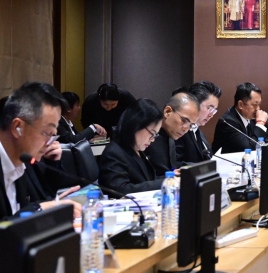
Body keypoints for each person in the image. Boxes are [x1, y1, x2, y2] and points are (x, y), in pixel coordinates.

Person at [0, 82, 81, 219]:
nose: (50, 143)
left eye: (53, 135)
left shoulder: (20, 163)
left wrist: (52, 206)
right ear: (17, 128)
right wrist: (40, 209)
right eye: (47, 133)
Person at [98, 99, 166, 194]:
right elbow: (120, 190)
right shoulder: (114, 153)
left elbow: (149, 179)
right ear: (136, 124)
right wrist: (164, 183)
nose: (153, 139)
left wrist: (171, 179)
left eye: (155, 135)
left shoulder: (136, 148)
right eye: (152, 133)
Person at [145, 93, 199, 176]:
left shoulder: (170, 134)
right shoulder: (146, 136)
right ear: (167, 112)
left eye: (191, 125)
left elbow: (168, 167)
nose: (186, 129)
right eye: (184, 120)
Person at [212, 82, 268, 153]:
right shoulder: (228, 122)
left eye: (259, 104)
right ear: (241, 105)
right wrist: (260, 123)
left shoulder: (252, 118)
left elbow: (266, 143)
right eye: (255, 104)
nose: (258, 109)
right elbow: (248, 149)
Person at [174, 81, 221, 164]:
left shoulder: (199, 132)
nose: (211, 115)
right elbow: (174, 164)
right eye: (209, 108)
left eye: (214, 111)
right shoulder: (178, 130)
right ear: (194, 104)